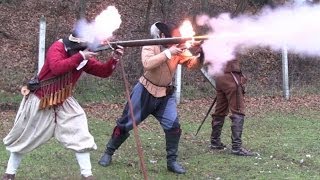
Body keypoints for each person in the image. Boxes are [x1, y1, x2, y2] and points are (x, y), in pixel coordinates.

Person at [2, 31, 124, 180]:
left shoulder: (81, 55)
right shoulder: (58, 48)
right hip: (42, 98)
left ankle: (87, 175)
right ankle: (9, 173)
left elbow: (103, 72)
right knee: (25, 136)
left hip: (64, 99)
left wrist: (114, 59)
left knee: (79, 131)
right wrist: (80, 56)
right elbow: (57, 68)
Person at [98, 21, 203, 174]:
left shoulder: (178, 48)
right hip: (144, 91)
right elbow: (147, 64)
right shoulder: (149, 46)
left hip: (165, 96)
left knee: (173, 127)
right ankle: (108, 152)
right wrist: (169, 52)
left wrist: (201, 54)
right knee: (125, 124)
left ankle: (172, 162)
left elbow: (192, 64)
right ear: (160, 36)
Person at [209, 58, 254, 156]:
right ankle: (236, 147)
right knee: (238, 111)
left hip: (220, 77)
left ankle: (215, 141)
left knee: (220, 111)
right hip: (231, 77)